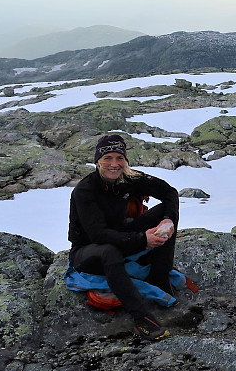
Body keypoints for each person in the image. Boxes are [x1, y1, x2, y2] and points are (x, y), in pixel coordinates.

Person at [68, 134, 179, 341]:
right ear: (97, 161)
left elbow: (169, 192)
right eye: (107, 158)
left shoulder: (129, 179)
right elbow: (98, 235)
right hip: (89, 253)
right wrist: (142, 240)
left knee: (165, 210)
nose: (114, 164)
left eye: (119, 158)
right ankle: (142, 319)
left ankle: (160, 278)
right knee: (108, 251)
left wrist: (167, 221)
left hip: (124, 240)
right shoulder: (84, 191)